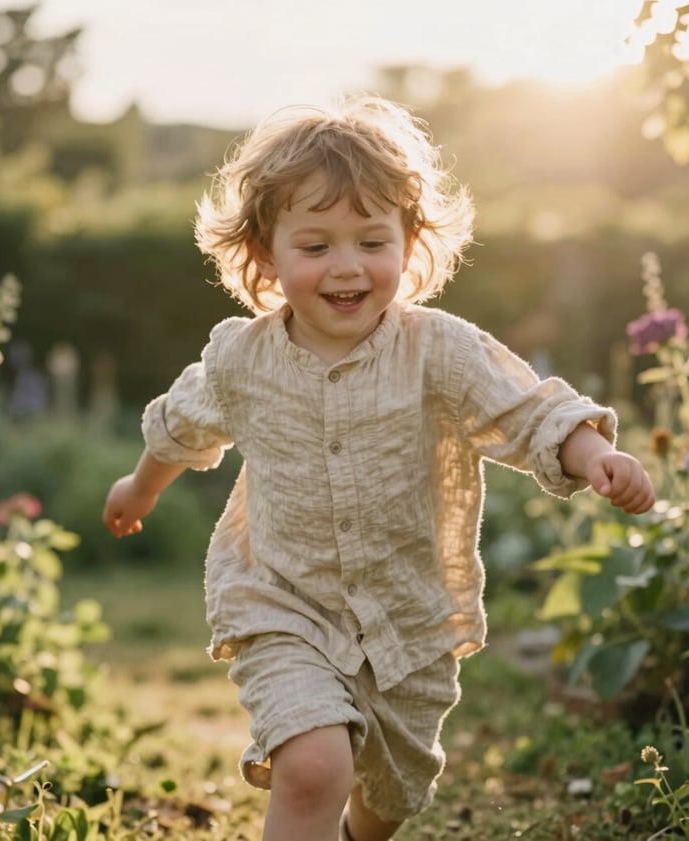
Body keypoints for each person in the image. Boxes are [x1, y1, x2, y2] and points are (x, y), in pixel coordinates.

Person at [102, 95, 654, 841]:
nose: (348, 267)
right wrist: (138, 488)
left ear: (408, 240)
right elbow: (180, 423)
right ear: (267, 254)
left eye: (371, 240)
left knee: (395, 788)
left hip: (406, 619)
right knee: (313, 768)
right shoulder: (242, 358)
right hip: (281, 604)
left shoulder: (440, 349)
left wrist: (596, 456)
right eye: (317, 245)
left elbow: (528, 412)